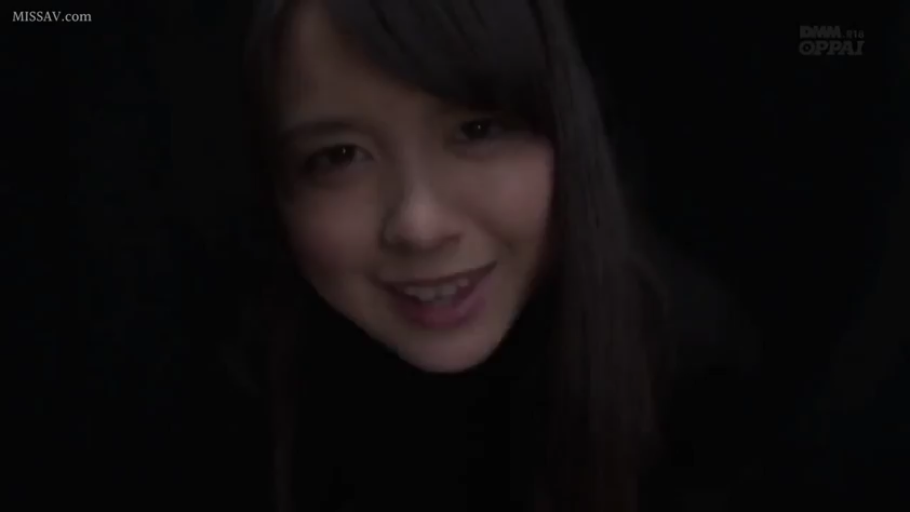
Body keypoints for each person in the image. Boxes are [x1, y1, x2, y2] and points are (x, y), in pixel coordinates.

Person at [236, 0, 763, 511]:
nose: (420, 226)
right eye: (340, 156)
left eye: (477, 130)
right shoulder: (234, 396)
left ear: (566, 132)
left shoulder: (694, 379)